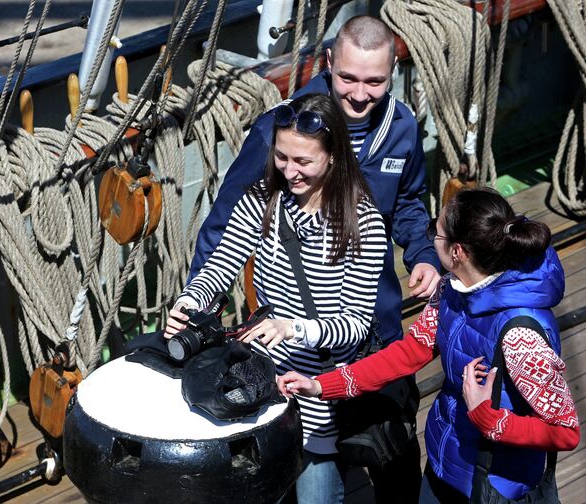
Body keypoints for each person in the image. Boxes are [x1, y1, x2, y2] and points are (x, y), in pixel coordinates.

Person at [189, 15, 438, 501]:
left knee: (394, 460)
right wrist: (200, 310)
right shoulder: (279, 135)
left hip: (375, 328)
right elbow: (225, 229)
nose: (361, 94)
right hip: (297, 356)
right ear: (328, 63)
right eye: (347, 78)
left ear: (392, 71)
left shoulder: (402, 127)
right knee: (314, 466)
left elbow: (409, 200)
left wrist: (423, 252)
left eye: (375, 81)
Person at [277, 188, 581, 502]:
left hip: (494, 486)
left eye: (436, 230)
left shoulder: (521, 337)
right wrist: (319, 386)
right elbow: (407, 354)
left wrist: (488, 419)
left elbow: (566, 431)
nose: (431, 236)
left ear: (457, 252)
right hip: (444, 464)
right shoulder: (451, 290)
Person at [165, 93, 387, 504]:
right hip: (262, 389)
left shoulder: (362, 223)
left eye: (304, 161)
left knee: (317, 494)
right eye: (283, 157)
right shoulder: (262, 200)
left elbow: (356, 325)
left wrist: (292, 328)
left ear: (334, 156)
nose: (290, 171)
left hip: (320, 396)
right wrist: (190, 303)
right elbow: (221, 266)